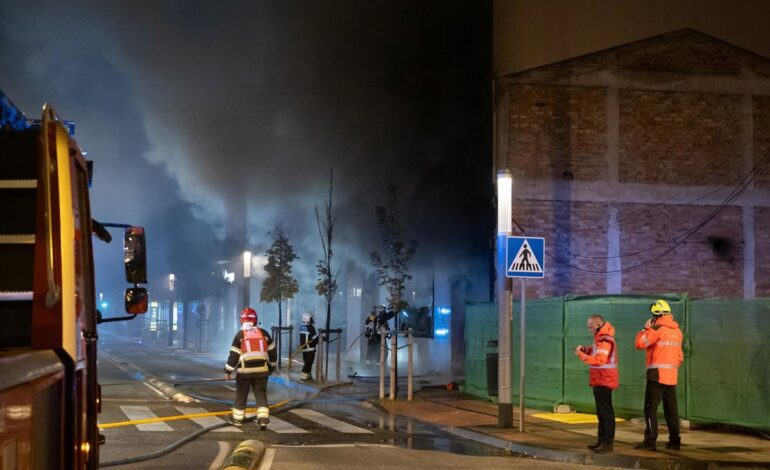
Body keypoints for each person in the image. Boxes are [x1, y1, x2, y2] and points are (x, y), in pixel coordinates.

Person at [634, 299, 684, 451]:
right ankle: (675, 441)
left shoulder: (656, 329)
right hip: (671, 376)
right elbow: (679, 357)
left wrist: (645, 328)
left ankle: (650, 441)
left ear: (656, 315)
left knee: (650, 409)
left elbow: (639, 344)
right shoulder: (677, 331)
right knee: (671, 411)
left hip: (656, 376)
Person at [225, 307, 277, 430]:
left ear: (241, 321)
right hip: (261, 372)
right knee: (261, 395)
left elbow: (234, 355)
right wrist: (272, 367)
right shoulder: (264, 334)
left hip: (244, 373)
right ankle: (263, 420)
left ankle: (237, 419)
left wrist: (228, 371)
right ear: (255, 320)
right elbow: (273, 353)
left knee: (241, 395)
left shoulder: (240, 335)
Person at [574, 314, 618, 453]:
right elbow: (595, 352)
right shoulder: (600, 338)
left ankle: (607, 443)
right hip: (600, 379)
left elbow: (600, 360)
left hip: (604, 379)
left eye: (590, 327)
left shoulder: (605, 340)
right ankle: (601, 440)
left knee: (606, 413)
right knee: (601, 412)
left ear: (598, 324)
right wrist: (586, 350)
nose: (589, 330)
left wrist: (581, 355)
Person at [298, 312, 318, 381]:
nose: (312, 319)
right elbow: (314, 338)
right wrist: (322, 338)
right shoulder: (310, 327)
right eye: (311, 318)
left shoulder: (301, 327)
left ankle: (308, 376)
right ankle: (303, 378)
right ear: (308, 318)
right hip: (310, 349)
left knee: (307, 363)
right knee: (308, 364)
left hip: (304, 349)